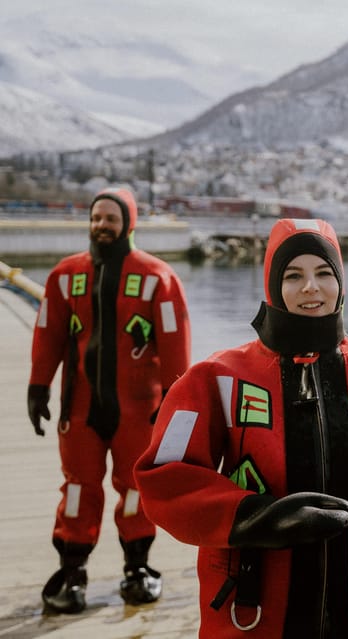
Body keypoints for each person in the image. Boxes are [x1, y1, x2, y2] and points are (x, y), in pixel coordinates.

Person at [134, 218, 348, 638]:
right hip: (250, 620)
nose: (311, 287)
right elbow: (163, 479)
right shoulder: (214, 380)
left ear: (342, 282)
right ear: (272, 285)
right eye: (293, 275)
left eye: (324, 273)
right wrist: (254, 518)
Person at [27, 186, 192, 613]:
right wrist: (38, 387)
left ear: (128, 224)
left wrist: (175, 400)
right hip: (79, 409)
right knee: (79, 489)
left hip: (140, 410)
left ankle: (137, 569)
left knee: (136, 488)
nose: (102, 225)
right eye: (96, 218)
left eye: (110, 219)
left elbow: (176, 343)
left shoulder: (158, 278)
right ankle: (72, 572)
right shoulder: (65, 276)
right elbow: (47, 334)